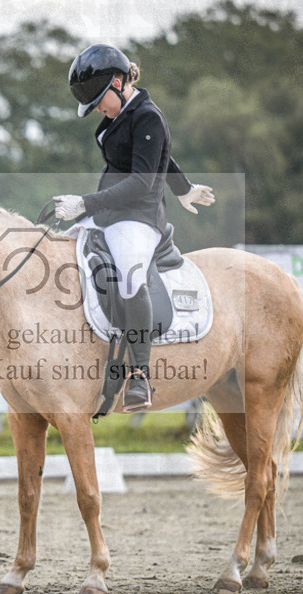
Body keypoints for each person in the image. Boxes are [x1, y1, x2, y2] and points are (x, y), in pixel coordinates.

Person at [55, 43, 214, 410]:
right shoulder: (118, 116)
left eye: (98, 101)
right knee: (63, 249)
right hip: (109, 209)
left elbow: (143, 180)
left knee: (130, 276)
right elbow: (161, 156)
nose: (97, 109)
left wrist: (85, 203)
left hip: (139, 216)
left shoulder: (148, 116)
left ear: (117, 82)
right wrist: (184, 187)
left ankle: (140, 374)